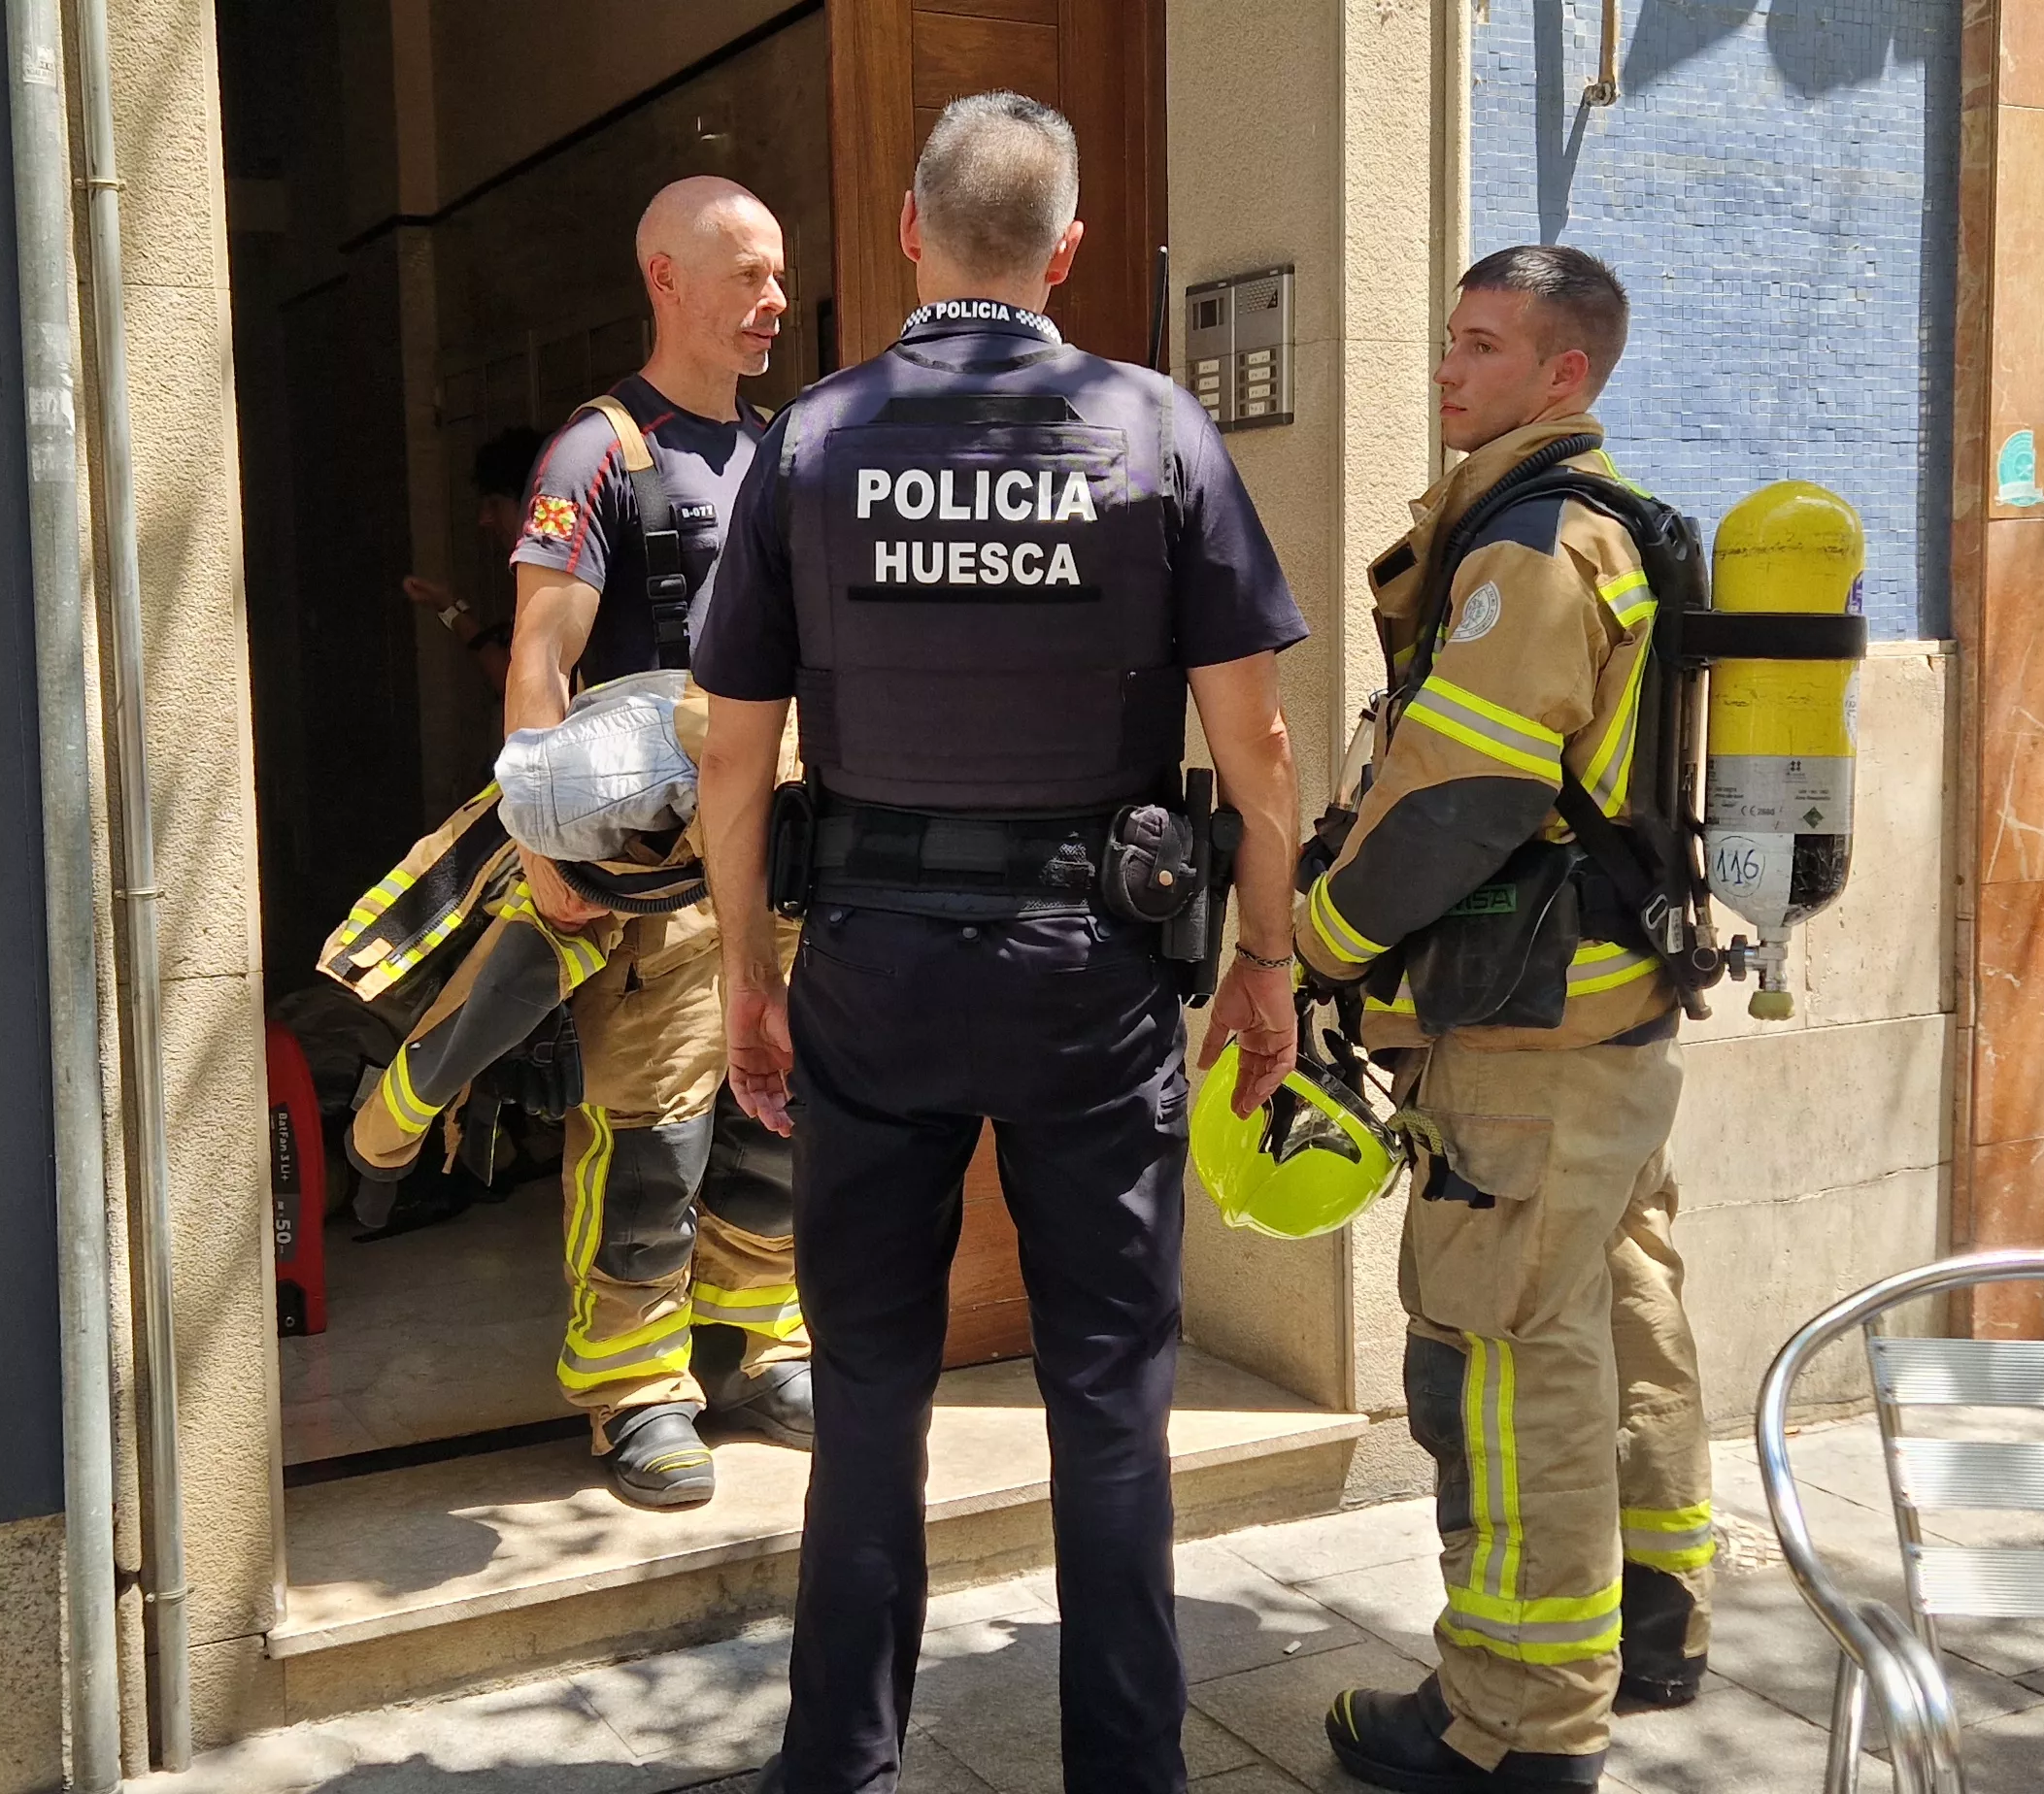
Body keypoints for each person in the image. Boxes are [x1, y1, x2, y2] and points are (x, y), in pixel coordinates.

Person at [690, 91, 1309, 1794]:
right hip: (1090, 983)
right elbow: (1257, 748)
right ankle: (1129, 1770)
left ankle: (838, 1765)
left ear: (907, 230)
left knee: (871, 1393)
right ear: (1071, 250)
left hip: (876, 976)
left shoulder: (808, 443)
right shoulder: (1156, 428)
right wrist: (1266, 956)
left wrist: (751, 968)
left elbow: (731, 748)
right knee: (1110, 1397)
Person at [1302, 244, 1716, 1793]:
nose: (1446, 370)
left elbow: (1457, 797)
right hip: (1615, 1019)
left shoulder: (1531, 548)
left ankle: (1516, 1722)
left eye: (1483, 347)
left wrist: (1322, 936)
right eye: (1451, 342)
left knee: (1503, 1357)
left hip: (1527, 1042)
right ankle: (1660, 1612)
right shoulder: (1622, 530)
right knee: (1621, 1308)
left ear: (1567, 377)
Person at [464, 174, 808, 1508]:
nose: (773, 301)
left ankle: (764, 1338)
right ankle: (635, 1387)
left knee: (780, 1112)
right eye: (747, 275)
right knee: (651, 1128)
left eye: (778, 276)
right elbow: (537, 659)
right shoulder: (594, 455)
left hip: (780, 849)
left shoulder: (783, 451)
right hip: (653, 870)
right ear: (665, 277)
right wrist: (545, 848)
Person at [405, 425, 548, 679]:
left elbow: (513, 680)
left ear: (532, 501)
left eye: (494, 504)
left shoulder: (558, 577)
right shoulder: (537, 570)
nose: (484, 519)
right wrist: (447, 606)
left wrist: (449, 609)